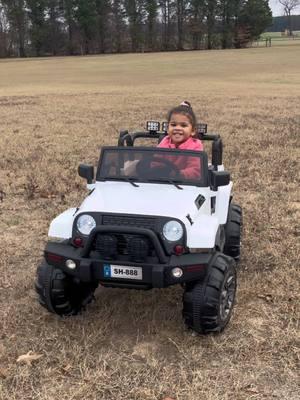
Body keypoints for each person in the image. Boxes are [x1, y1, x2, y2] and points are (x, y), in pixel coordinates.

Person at [156, 101, 203, 178]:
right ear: (167, 128)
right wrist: (157, 170)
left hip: (186, 184)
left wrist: (178, 174)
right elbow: (155, 162)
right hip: (164, 181)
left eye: (183, 125)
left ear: (193, 131)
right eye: (173, 125)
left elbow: (196, 170)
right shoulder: (164, 142)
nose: (177, 128)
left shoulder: (195, 146)